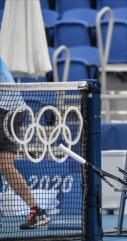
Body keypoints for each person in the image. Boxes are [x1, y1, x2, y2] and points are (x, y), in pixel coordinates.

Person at [0, 58, 50, 229]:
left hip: (6, 108)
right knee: (5, 166)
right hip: (12, 109)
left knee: (5, 165)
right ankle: (37, 211)